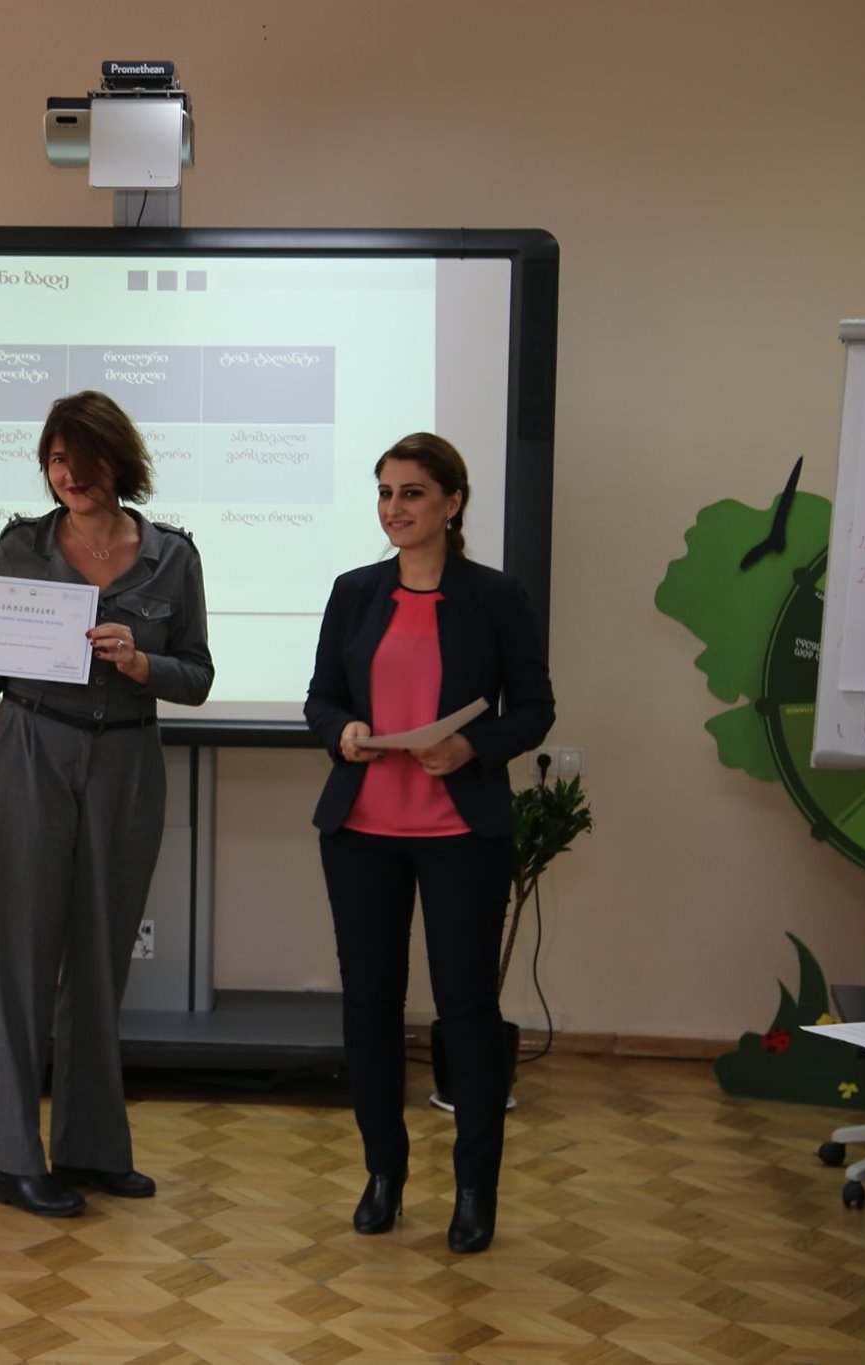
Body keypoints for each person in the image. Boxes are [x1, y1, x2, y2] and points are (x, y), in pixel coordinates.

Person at [0, 390, 213, 1218]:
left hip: (127, 761)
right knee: (16, 954)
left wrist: (144, 664)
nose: (69, 475)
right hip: (33, 749)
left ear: (119, 461)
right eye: (55, 459)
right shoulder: (23, 544)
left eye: (83, 459)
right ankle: (12, 1157)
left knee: (101, 959)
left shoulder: (172, 557)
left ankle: (90, 1146)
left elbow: (198, 675)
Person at [304, 432, 554, 1254]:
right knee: (370, 1007)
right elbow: (321, 698)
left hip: (460, 835)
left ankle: (475, 1189)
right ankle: (384, 1173)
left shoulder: (495, 596)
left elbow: (534, 707)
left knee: (467, 1011)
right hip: (361, 832)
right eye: (385, 492)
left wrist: (471, 746)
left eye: (411, 492)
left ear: (452, 501)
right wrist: (342, 730)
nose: (394, 507)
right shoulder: (354, 592)